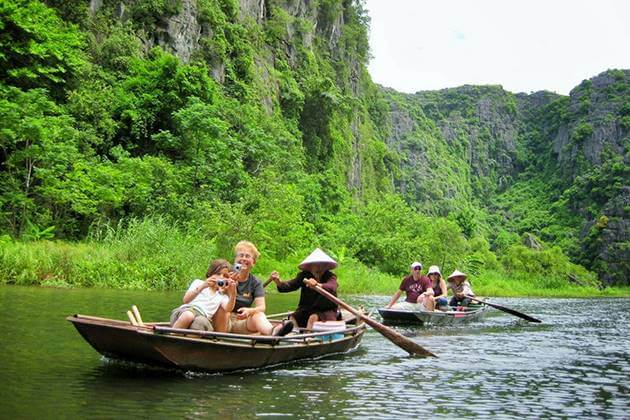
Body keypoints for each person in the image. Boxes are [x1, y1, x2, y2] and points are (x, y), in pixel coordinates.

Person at [217, 241, 293, 336]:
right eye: (241, 255)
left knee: (258, 314)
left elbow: (261, 307)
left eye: (247, 256)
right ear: (235, 259)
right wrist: (227, 284)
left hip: (240, 321)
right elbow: (212, 293)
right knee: (222, 310)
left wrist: (250, 311)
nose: (243, 259)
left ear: (253, 262)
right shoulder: (224, 274)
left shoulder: (256, 282)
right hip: (221, 320)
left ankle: (273, 332)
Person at [269, 248, 339, 331]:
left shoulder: (330, 276)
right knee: (292, 317)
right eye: (315, 265)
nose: (318, 268)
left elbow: (332, 287)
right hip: (307, 309)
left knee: (313, 317)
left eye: (321, 265)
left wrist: (317, 285)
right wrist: (278, 282)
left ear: (326, 266)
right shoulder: (304, 276)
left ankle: (307, 338)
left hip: (326, 310)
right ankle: (294, 335)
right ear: (310, 267)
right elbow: (291, 285)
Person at [169, 259, 236, 331]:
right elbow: (186, 300)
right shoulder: (198, 283)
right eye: (218, 274)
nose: (221, 277)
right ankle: (172, 336)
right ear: (210, 274)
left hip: (202, 318)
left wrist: (233, 294)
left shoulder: (221, 296)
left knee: (199, 323)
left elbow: (228, 308)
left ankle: (189, 341)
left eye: (225, 276)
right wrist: (203, 286)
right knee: (188, 315)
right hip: (185, 312)